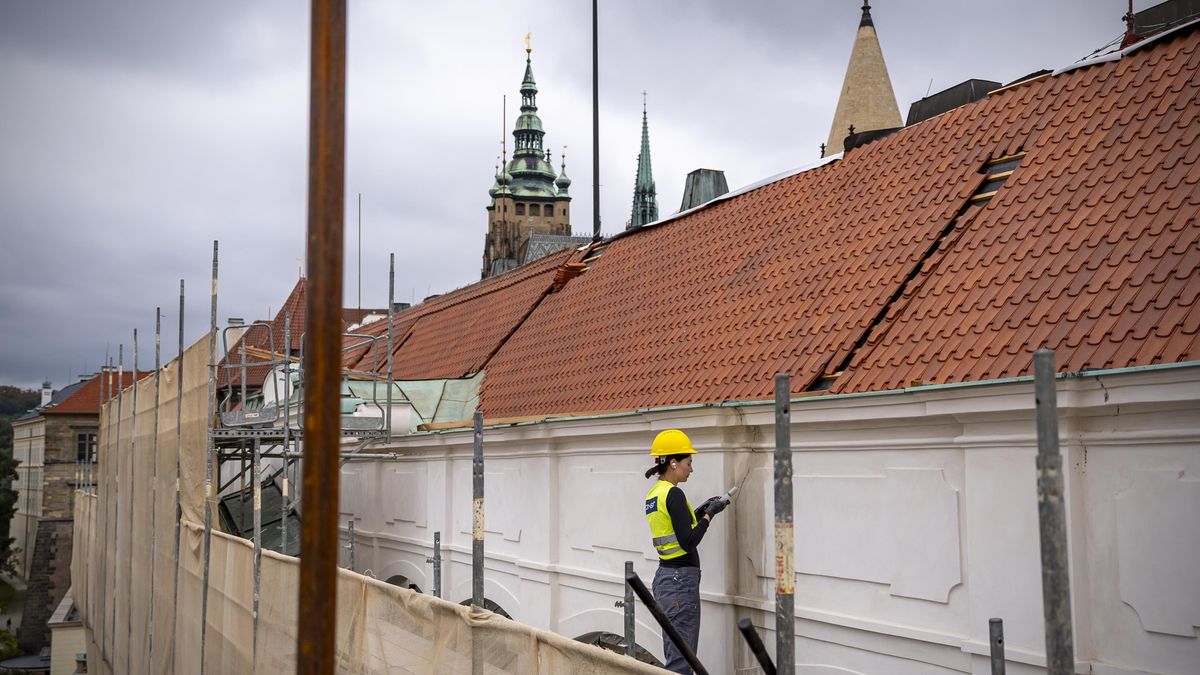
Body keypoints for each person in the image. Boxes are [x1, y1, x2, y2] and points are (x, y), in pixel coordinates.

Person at [643, 429, 728, 674]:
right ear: (673, 463)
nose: (691, 469)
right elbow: (688, 541)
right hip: (680, 582)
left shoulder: (655, 494)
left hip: (666, 579)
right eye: (688, 463)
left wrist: (701, 512)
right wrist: (710, 515)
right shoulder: (674, 494)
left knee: (676, 653)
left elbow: (676, 528)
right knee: (683, 660)